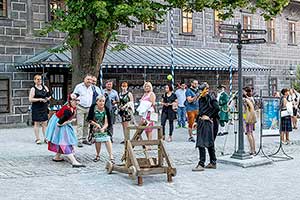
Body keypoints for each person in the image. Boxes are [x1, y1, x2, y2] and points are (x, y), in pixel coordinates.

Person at [45, 93, 85, 168]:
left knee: (61, 140)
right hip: (60, 124)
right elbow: (59, 124)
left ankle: (57, 156)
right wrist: (71, 121)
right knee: (65, 142)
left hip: (61, 122)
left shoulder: (71, 108)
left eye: (77, 100)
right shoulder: (68, 111)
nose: (76, 102)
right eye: (74, 100)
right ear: (70, 101)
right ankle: (74, 161)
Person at [192, 82, 220, 171]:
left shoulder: (211, 97)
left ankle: (201, 163)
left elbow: (217, 108)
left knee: (203, 142)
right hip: (201, 121)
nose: (200, 92)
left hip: (208, 122)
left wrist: (209, 116)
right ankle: (213, 162)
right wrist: (196, 121)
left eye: (202, 90)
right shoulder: (201, 99)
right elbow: (200, 111)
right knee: (207, 142)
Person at [73, 74, 101, 147]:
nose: (89, 81)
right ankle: (79, 140)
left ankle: (84, 138)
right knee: (80, 124)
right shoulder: (79, 87)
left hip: (89, 108)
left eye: (90, 80)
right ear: (84, 79)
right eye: (88, 79)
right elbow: (74, 95)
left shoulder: (92, 88)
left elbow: (97, 96)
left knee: (87, 124)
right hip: (80, 107)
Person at [87, 95, 114, 163]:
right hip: (95, 127)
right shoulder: (93, 108)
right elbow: (89, 120)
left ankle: (111, 156)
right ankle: (98, 155)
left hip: (104, 127)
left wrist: (103, 128)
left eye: (103, 101)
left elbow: (107, 122)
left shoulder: (106, 109)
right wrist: (97, 125)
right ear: (96, 102)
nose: (101, 103)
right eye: (100, 101)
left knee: (107, 138)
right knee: (98, 139)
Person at [29, 74, 51, 144]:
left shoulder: (45, 87)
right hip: (36, 108)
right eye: (38, 79)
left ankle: (46, 138)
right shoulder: (33, 89)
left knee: (45, 123)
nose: (39, 81)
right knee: (37, 123)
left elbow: (49, 95)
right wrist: (39, 99)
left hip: (44, 107)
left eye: (40, 79)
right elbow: (30, 99)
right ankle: (37, 138)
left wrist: (47, 98)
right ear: (34, 80)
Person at [243, 87, 257, 155]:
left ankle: (252, 150)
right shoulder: (252, 98)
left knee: (249, 134)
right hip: (251, 117)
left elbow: (245, 108)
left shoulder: (247, 99)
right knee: (251, 133)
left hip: (248, 117)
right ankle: (253, 149)